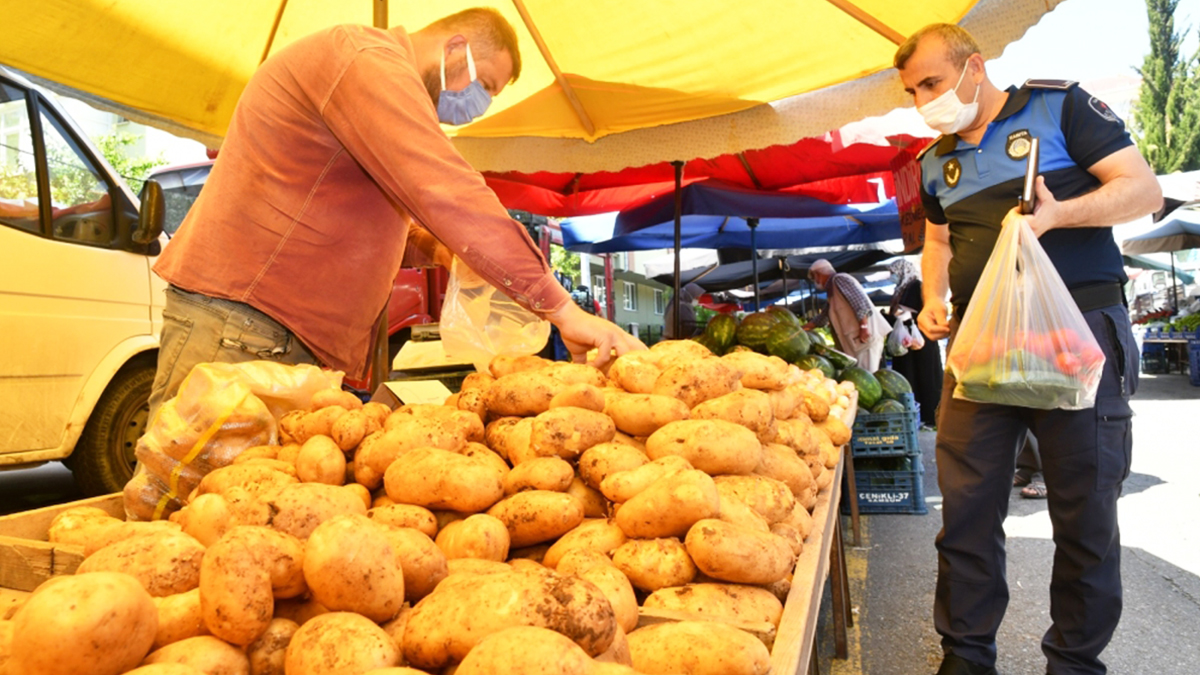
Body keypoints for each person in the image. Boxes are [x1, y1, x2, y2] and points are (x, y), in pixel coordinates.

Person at [147, 8, 644, 416]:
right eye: (485, 86)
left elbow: (348, 215)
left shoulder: (371, 76)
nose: (478, 106)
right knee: (186, 501)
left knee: (250, 513)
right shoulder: (365, 59)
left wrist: (441, 249)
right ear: (455, 48)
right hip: (243, 326)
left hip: (272, 335)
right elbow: (447, 189)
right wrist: (562, 310)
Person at [896, 23, 1161, 675]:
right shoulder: (936, 161)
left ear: (973, 68)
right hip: (981, 345)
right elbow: (935, 242)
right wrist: (933, 297)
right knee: (965, 510)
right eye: (911, 90)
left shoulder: (1060, 106)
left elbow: (1143, 189)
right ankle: (966, 655)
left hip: (1078, 332)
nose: (923, 99)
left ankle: (1073, 662)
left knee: (1084, 512)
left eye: (932, 82)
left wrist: (1056, 215)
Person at [803, 259, 891, 370]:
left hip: (864, 339)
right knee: (860, 377)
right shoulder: (832, 291)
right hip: (857, 343)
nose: (814, 281)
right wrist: (801, 329)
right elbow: (822, 318)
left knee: (867, 377)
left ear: (818, 274)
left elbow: (860, 303)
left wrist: (864, 327)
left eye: (814, 277)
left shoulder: (839, 280)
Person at [886, 258, 943, 428]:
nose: (892, 276)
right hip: (907, 343)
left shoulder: (916, 286)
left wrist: (903, 316)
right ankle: (915, 413)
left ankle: (929, 415)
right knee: (909, 376)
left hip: (921, 340)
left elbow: (919, 310)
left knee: (925, 377)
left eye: (894, 273)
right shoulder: (901, 289)